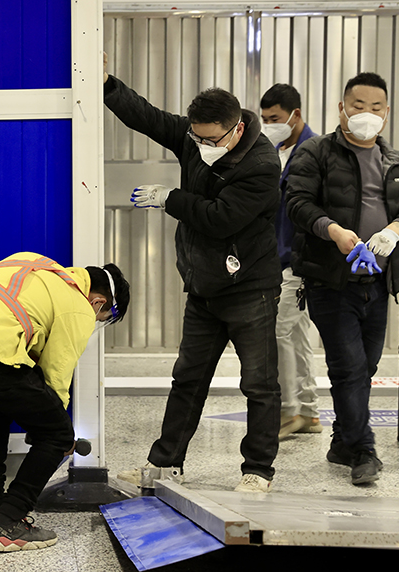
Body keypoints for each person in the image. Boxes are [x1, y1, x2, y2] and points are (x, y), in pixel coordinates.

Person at [103, 55, 282, 493]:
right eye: (195, 136)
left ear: (236, 128)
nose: (201, 145)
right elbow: (148, 118)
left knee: (258, 384)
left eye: (210, 139)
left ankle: (258, 470)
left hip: (250, 289)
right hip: (203, 287)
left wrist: (171, 198)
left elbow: (221, 218)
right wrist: (107, 83)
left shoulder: (261, 164)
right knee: (187, 379)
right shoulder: (195, 137)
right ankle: (165, 464)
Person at [0, 251, 130, 553]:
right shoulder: (78, 306)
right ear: (99, 301)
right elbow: (55, 376)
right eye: (102, 317)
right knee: (58, 434)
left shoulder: (37, 265)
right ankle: (9, 523)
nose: (95, 321)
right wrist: (55, 431)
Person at [286, 72, 399, 485]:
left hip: (378, 283)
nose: (367, 113)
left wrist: (393, 232)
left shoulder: (395, 161)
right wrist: (334, 231)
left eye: (376, 107)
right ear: (342, 109)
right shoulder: (316, 152)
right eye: (358, 106)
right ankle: (364, 451)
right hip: (330, 281)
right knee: (348, 368)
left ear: (386, 112)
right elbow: (297, 203)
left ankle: (341, 442)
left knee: (364, 368)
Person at [260, 84, 323, 439]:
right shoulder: (277, 151)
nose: (270, 125)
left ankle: (289, 411)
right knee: (296, 334)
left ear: (295, 115)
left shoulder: (314, 151)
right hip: (280, 258)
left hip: (299, 259)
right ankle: (309, 412)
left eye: (275, 118)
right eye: (265, 119)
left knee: (279, 330)